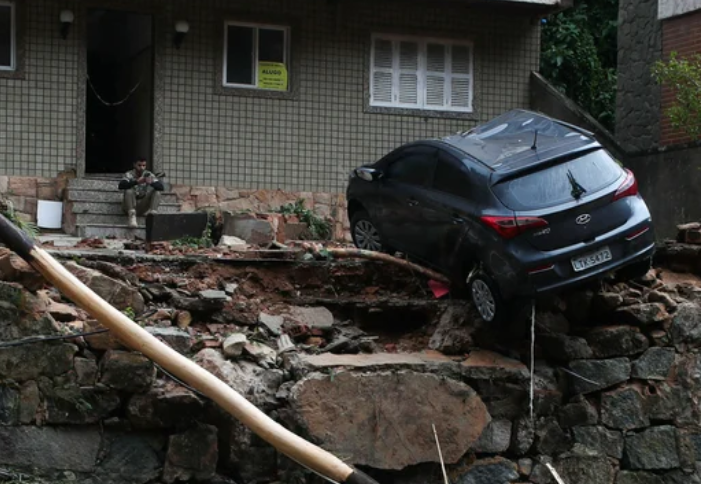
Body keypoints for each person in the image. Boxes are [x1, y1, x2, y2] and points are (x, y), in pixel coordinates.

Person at [118, 157, 164, 228]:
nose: (142, 168)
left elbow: (161, 187)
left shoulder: (148, 174)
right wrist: (136, 182)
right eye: (139, 165)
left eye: (144, 165)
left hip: (142, 206)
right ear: (134, 165)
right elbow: (121, 185)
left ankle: (152, 217)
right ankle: (132, 218)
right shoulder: (129, 174)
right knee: (128, 190)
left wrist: (151, 182)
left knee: (157, 192)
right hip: (128, 206)